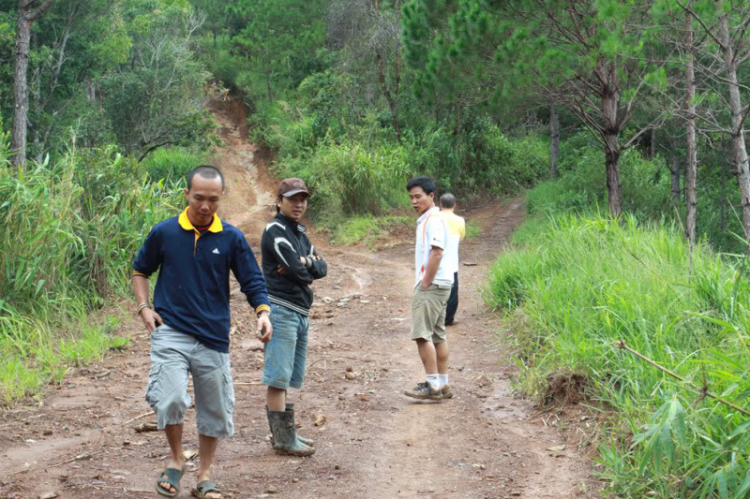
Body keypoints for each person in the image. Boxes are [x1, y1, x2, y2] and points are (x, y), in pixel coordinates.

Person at [133, 165, 272, 499]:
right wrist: (144, 307)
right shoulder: (164, 232)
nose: (205, 206)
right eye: (199, 198)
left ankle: (205, 475)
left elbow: (251, 279)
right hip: (171, 331)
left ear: (221, 198)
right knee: (170, 398)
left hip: (213, 336)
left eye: (213, 199)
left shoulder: (231, 237)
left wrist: (263, 312)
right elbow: (140, 270)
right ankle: (177, 458)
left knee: (215, 409)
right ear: (186, 195)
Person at [260, 178, 327, 457]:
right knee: (278, 377)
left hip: (299, 311)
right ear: (279, 201)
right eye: (292, 199)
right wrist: (302, 268)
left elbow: (321, 268)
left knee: (287, 376)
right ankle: (283, 439)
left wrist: (306, 263)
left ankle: (287, 434)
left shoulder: (299, 234)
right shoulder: (275, 231)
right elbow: (300, 274)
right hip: (281, 309)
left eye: (302, 199)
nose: (298, 204)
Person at [404, 176, 454, 401]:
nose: (414, 201)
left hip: (432, 285)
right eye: (411, 198)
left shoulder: (433, 219)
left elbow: (437, 252)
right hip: (442, 283)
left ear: (431, 196)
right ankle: (442, 384)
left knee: (422, 335)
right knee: (437, 335)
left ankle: (432, 384)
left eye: (419, 196)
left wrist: (425, 283)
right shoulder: (431, 218)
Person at [439, 193, 465, 326]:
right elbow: (461, 237)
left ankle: (434, 318)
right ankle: (448, 318)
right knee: (452, 292)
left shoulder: (434, 218)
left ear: (440, 205)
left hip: (435, 262)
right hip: (451, 262)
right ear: (455, 205)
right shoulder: (460, 220)